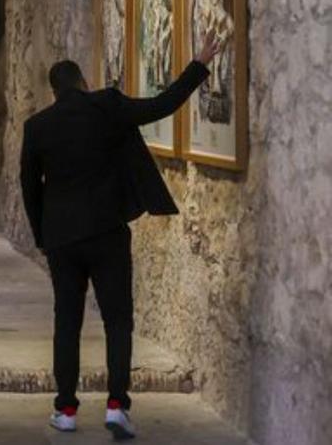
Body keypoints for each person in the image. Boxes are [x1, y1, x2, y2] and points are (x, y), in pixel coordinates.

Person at [20, 36, 220, 439]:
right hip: (107, 230)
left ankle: (67, 409)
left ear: (54, 91)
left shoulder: (37, 126)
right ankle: (116, 406)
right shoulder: (107, 106)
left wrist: (43, 235)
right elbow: (162, 104)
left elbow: (30, 186)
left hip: (62, 237)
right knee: (117, 320)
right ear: (83, 83)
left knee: (67, 321)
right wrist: (198, 64)